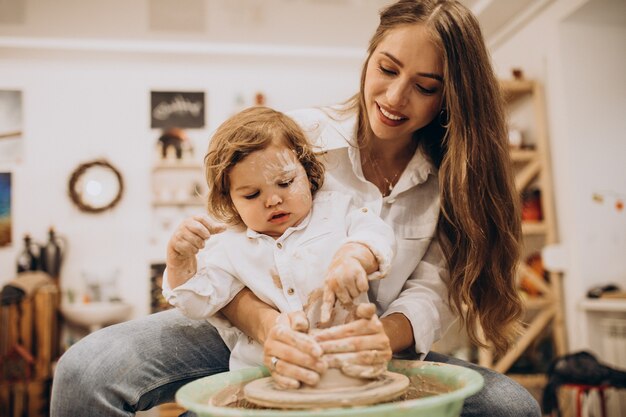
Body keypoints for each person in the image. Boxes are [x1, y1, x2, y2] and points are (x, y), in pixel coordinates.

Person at [51, 1, 541, 416]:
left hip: (375, 344)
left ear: (450, 97)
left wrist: (379, 338)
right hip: (249, 329)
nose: (395, 97)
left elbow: (431, 290)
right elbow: (227, 252)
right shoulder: (295, 137)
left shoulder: (452, 176)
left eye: (425, 86)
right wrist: (269, 327)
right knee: (86, 370)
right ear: (369, 57)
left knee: (513, 407)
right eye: (387, 69)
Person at [162, 106, 395, 380]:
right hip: (264, 379)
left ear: (308, 174)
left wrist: (354, 256)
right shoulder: (228, 246)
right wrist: (179, 262)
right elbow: (195, 302)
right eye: (251, 194)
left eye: (285, 183)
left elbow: (375, 232)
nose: (272, 200)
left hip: (348, 370)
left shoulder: (336, 211)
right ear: (230, 202)